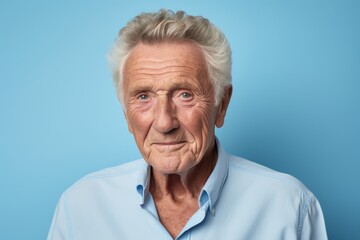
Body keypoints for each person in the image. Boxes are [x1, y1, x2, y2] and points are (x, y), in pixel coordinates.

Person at [48, 9, 328, 240]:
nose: (164, 122)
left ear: (222, 104)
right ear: (126, 113)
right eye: (143, 97)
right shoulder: (80, 207)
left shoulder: (291, 208)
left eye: (185, 95)